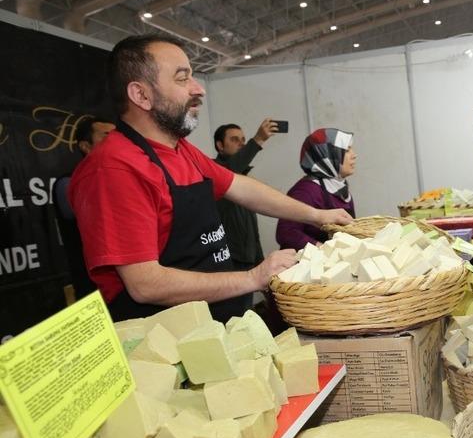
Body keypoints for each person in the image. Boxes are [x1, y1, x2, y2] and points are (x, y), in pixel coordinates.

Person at [68, 34, 352, 322]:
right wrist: (253, 277)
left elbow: (241, 187)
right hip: (169, 335)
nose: (198, 89)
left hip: (216, 320)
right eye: (182, 79)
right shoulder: (113, 168)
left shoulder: (181, 150)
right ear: (141, 95)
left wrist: (317, 215)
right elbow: (145, 284)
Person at [213, 119, 279, 310]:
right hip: (226, 266)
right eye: (234, 140)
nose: (241, 143)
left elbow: (251, 229)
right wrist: (257, 140)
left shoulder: (243, 178)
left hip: (247, 263)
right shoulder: (215, 173)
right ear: (220, 145)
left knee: (244, 316)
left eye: (243, 140)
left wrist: (260, 263)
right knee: (230, 316)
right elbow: (229, 171)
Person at [54, 117, 115, 299]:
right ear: (85, 146)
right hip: (92, 288)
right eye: (107, 136)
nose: (115, 141)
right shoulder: (68, 183)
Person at [276, 128, 357, 250]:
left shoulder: (340, 187)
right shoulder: (306, 191)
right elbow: (286, 233)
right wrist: (322, 249)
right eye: (347, 150)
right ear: (328, 154)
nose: (354, 155)